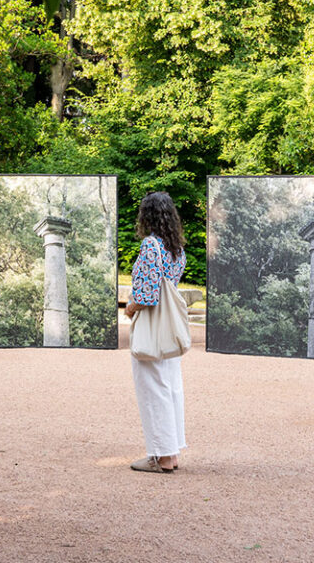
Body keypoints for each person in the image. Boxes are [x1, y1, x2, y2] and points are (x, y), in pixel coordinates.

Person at [124, 191, 187, 474]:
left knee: (153, 390)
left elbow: (148, 295)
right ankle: (172, 453)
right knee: (171, 388)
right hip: (169, 327)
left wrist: (130, 308)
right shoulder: (177, 249)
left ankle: (160, 457)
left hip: (152, 325)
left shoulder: (151, 245)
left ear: (146, 215)